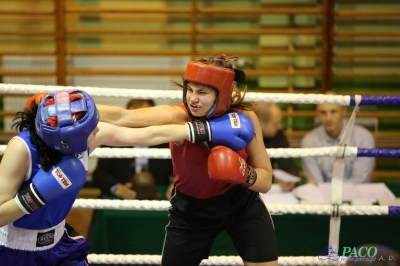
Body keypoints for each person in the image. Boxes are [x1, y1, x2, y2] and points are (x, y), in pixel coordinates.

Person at [0, 89, 255, 265]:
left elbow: (148, 135)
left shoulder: (87, 134)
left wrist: (205, 130)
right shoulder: (21, 150)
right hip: (13, 252)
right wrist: (35, 196)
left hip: (58, 245)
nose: (96, 131)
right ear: (64, 141)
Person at [97, 54, 278, 266]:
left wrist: (242, 172)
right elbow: (124, 117)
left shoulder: (244, 117)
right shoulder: (180, 116)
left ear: (223, 94)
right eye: (190, 90)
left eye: (202, 92)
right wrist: (80, 106)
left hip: (241, 204)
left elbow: (265, 182)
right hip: (191, 211)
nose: (193, 98)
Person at [92, 99, 173, 199]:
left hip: (159, 200)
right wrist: (117, 188)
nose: (138, 120)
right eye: (134, 115)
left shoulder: (166, 142)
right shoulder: (113, 140)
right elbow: (99, 174)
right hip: (121, 203)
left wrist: (175, 185)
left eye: (145, 115)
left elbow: (179, 172)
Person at [301, 91, 376, 184]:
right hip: (322, 197)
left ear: (344, 111)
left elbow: (359, 180)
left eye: (333, 111)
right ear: (317, 114)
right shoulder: (309, 141)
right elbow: (316, 183)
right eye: (323, 112)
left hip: (355, 195)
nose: (328, 118)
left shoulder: (364, 138)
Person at [255, 102, 300, 192]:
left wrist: (290, 180)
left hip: (266, 192)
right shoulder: (244, 136)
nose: (280, 126)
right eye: (275, 124)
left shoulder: (277, 135)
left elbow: (288, 164)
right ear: (260, 123)